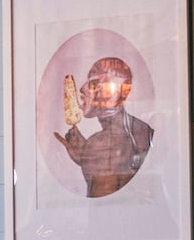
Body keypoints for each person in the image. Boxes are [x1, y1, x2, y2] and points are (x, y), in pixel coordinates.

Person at [55, 56, 154, 198]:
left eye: (94, 83)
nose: (82, 89)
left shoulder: (101, 144)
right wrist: (85, 158)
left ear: (120, 91)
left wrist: (91, 154)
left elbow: (102, 209)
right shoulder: (143, 129)